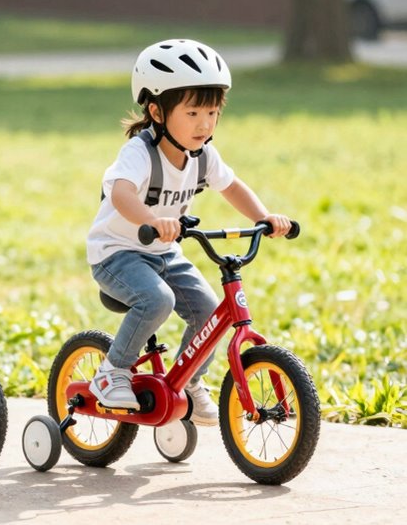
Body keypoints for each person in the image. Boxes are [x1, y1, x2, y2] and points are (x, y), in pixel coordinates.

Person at [85, 39, 291, 426]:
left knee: (210, 312)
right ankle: (110, 372)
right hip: (116, 253)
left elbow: (231, 186)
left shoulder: (204, 156)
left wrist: (265, 217)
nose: (205, 124)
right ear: (157, 112)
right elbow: (121, 192)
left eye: (212, 111)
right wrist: (150, 220)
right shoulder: (140, 153)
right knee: (157, 300)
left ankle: (188, 383)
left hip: (163, 253)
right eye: (193, 111)